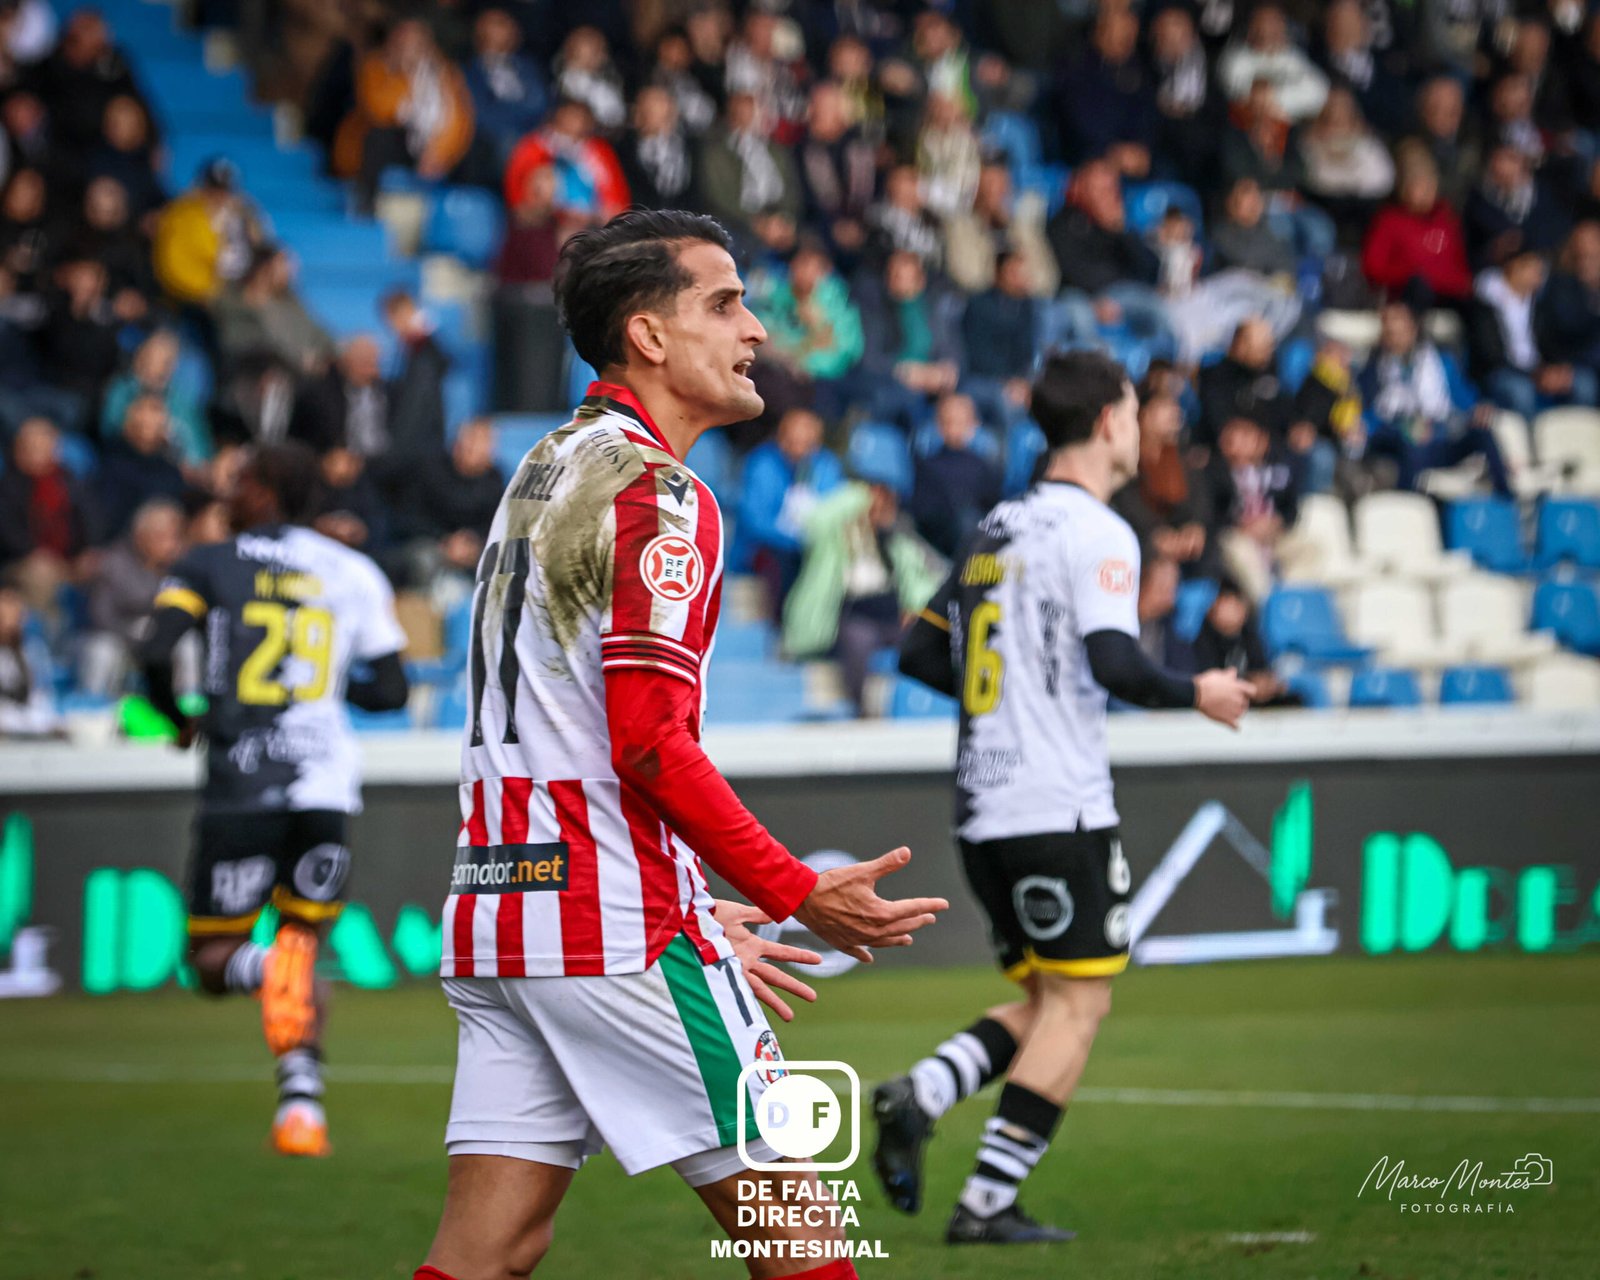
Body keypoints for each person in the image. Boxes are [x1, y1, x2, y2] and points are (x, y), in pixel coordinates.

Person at [412, 209, 948, 1280]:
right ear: (648, 335)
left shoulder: (545, 467)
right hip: (610, 918)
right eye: (725, 302)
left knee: (489, 1248)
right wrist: (793, 889)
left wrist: (691, 904)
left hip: (500, 905)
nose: (756, 329)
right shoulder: (659, 492)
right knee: (803, 1235)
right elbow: (648, 744)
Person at [880, 349, 1253, 1244]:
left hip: (983, 810)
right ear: (1108, 421)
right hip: (1058, 806)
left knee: (1053, 999)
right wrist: (1199, 691)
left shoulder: (997, 526)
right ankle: (987, 1205)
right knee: (1081, 1005)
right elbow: (1115, 662)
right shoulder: (1100, 531)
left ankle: (922, 1093)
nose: (1144, 425)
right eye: (1136, 410)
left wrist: (1013, 697)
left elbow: (921, 652)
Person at [136, 441, 410, 1159]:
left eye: (242, 479)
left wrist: (179, 718)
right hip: (325, 789)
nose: (228, 488)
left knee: (213, 960)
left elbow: (156, 649)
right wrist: (319, 691)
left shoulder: (208, 562)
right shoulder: (353, 571)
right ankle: (302, 1109)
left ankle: (266, 973)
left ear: (264, 492)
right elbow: (390, 690)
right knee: (304, 945)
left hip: (243, 782)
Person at [733, 406, 845, 618]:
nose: (799, 450)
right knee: (781, 562)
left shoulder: (826, 465)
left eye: (807, 444)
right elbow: (755, 520)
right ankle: (780, 627)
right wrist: (795, 540)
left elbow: (834, 508)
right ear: (782, 438)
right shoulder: (762, 463)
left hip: (812, 547)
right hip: (768, 549)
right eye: (794, 442)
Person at [911, 392, 1002, 559]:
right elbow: (922, 514)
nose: (954, 429)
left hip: (975, 543)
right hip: (940, 545)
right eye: (948, 422)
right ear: (939, 425)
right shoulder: (927, 466)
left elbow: (992, 507)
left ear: (973, 425)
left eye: (961, 422)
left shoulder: (982, 467)